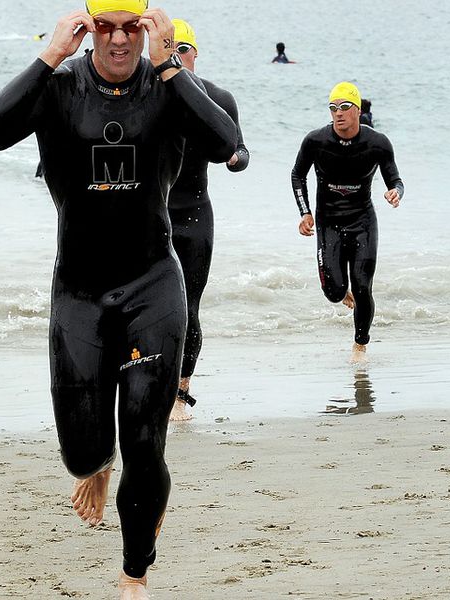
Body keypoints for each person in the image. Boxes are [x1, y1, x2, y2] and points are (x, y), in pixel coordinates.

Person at [0, 2, 237, 597]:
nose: (119, 40)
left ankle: (133, 572)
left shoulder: (168, 86)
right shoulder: (60, 87)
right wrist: (49, 55)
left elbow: (227, 143)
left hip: (152, 284)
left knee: (145, 441)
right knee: (82, 453)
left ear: (145, 31)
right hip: (80, 291)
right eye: (105, 27)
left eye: (131, 28)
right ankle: (96, 466)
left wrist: (170, 64)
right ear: (87, 29)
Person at [167, 19, 249, 421]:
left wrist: (235, 158)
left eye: (184, 50)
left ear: (195, 54)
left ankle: (181, 393)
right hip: (152, 216)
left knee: (190, 307)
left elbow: (241, 151)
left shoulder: (218, 98)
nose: (177, 57)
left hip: (195, 215)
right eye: (171, 50)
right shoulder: (152, 96)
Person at [291, 82, 403, 361]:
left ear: (357, 111)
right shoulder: (315, 141)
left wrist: (395, 193)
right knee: (333, 291)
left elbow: (396, 180)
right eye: (333, 108)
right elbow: (297, 175)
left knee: (363, 286)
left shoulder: (377, 142)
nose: (338, 113)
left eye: (344, 107)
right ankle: (342, 294)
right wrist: (305, 212)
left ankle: (360, 345)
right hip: (328, 222)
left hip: (363, 220)